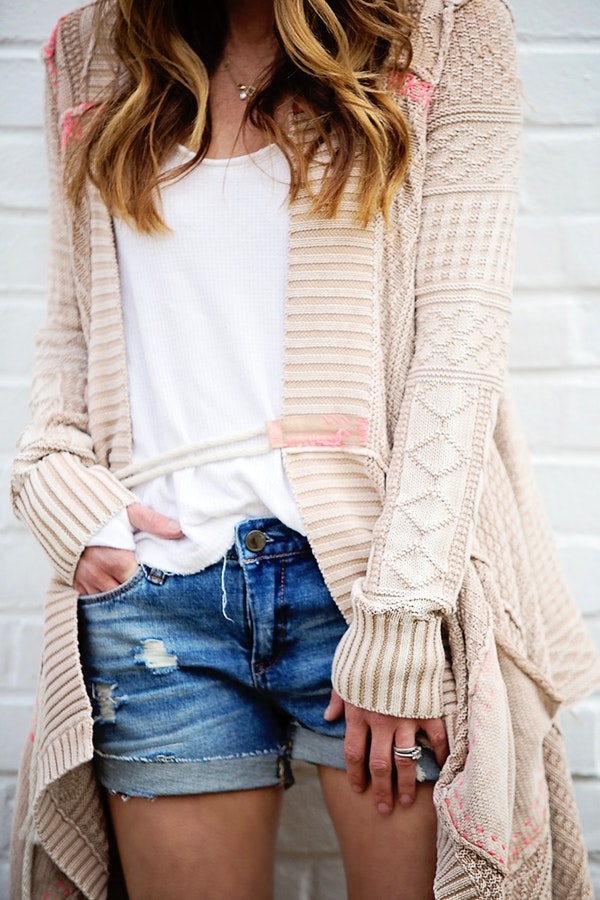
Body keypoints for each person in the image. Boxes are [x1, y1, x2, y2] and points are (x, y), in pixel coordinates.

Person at [9, 0, 600, 897]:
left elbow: (459, 347)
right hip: (156, 597)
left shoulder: (446, 29)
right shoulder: (93, 49)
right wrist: (58, 491)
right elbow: (72, 333)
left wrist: (402, 618)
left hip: (371, 587)